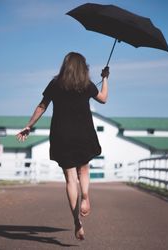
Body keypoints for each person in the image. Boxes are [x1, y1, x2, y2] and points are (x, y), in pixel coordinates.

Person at [16, 52, 109, 240]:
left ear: (65, 66)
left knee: (69, 179)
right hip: (84, 134)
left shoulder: (55, 84)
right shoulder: (87, 85)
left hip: (62, 135)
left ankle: (77, 221)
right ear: (83, 67)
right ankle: (86, 196)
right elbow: (103, 98)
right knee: (83, 169)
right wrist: (105, 78)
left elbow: (42, 106)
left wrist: (29, 125)